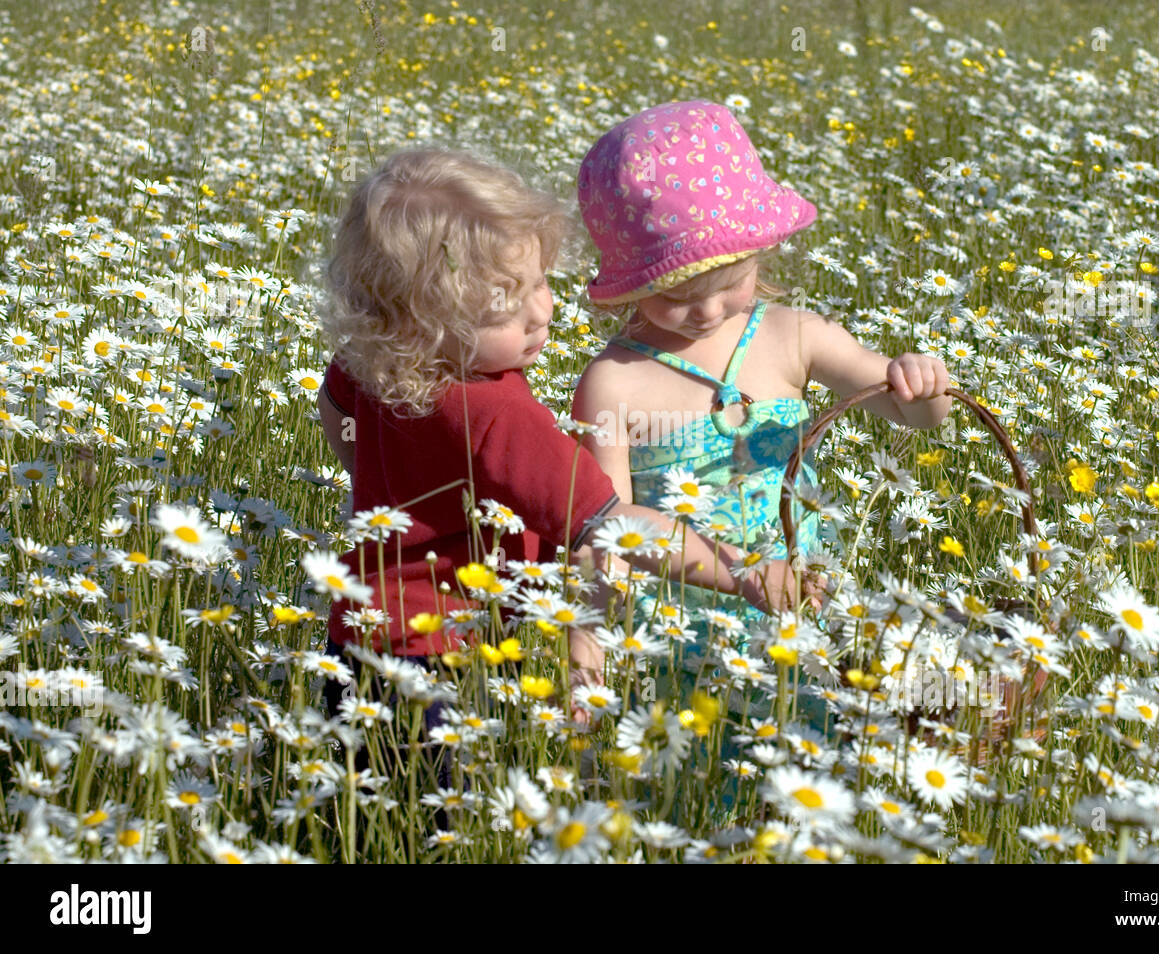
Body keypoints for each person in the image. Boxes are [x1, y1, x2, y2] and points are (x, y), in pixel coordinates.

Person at [315, 147, 810, 765]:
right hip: (444, 654)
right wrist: (745, 573)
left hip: (354, 631)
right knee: (440, 817)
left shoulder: (370, 363)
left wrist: (374, 487)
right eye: (505, 303)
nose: (540, 311)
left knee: (362, 804)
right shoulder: (497, 414)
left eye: (540, 281)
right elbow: (615, 523)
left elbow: (335, 413)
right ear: (422, 321)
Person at [573, 100, 954, 645]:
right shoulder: (614, 381)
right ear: (632, 286)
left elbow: (913, 414)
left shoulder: (792, 336)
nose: (705, 312)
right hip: (679, 640)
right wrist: (590, 666)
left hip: (808, 619)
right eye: (676, 296)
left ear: (759, 252)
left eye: (729, 285)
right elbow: (604, 530)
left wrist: (921, 381)